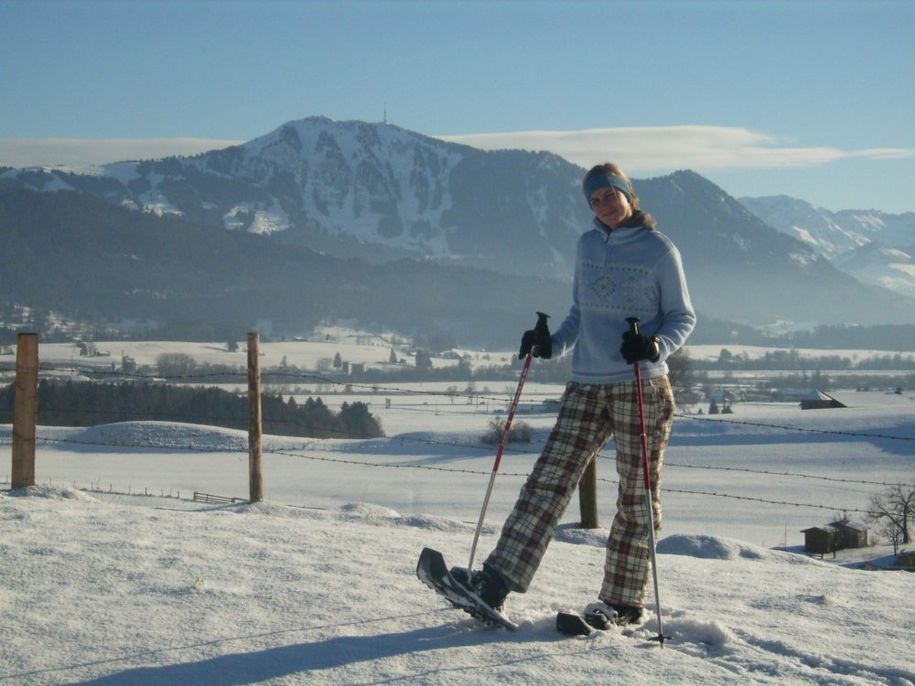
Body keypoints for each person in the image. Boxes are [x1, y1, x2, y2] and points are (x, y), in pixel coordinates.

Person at [454, 162, 696, 628]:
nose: (604, 205)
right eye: (595, 200)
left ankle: (622, 603)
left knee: (637, 496)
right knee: (548, 480)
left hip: (640, 385)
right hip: (586, 383)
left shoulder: (660, 250)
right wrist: (551, 342)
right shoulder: (587, 245)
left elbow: (683, 316)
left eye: (610, 195)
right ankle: (496, 582)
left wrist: (655, 345)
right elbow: (579, 313)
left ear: (629, 195)